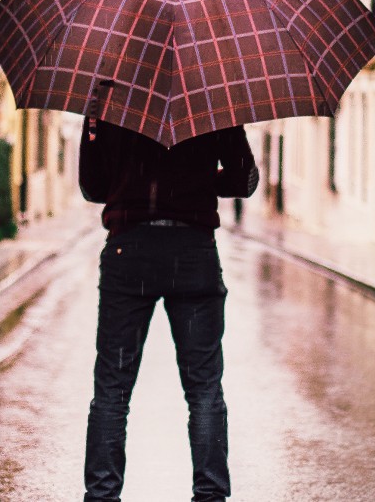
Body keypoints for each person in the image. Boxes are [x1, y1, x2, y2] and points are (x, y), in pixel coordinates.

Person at [79, 117, 259, 502]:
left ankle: (101, 496)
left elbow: (93, 188)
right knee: (204, 388)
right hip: (192, 251)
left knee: (112, 389)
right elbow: (245, 179)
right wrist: (199, 181)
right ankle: (210, 495)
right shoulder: (213, 95)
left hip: (130, 250)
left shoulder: (109, 99)